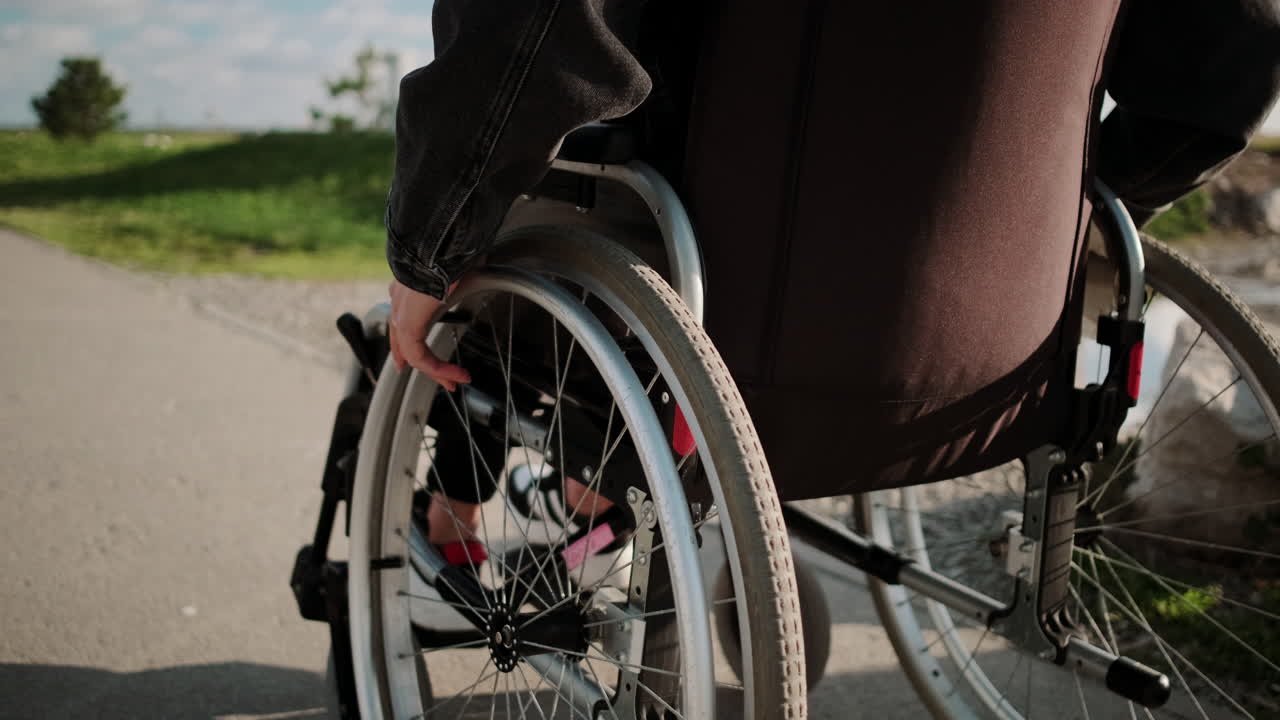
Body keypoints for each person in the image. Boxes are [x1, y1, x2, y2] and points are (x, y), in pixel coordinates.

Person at [384, 0, 1280, 549]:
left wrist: (428, 241)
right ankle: (592, 508)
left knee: (508, 235)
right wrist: (1081, 215)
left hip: (702, 318)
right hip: (994, 372)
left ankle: (483, 515)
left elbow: (531, 26)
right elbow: (1227, 71)